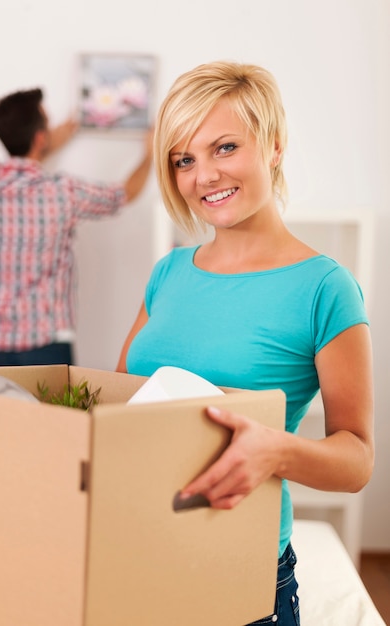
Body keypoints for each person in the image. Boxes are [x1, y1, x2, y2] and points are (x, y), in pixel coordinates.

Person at [116, 61, 374, 625]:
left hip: (239, 566)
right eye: (184, 159)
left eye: (224, 147)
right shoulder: (168, 273)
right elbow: (121, 407)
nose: (203, 174)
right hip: (136, 551)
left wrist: (276, 451)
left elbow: (357, 460)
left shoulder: (324, 287)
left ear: (274, 147)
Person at [0, 87, 153, 367]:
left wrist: (42, 147)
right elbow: (126, 193)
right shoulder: (62, 192)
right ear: (40, 137)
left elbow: (18, 175)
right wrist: (149, 154)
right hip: (44, 345)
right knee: (51, 414)